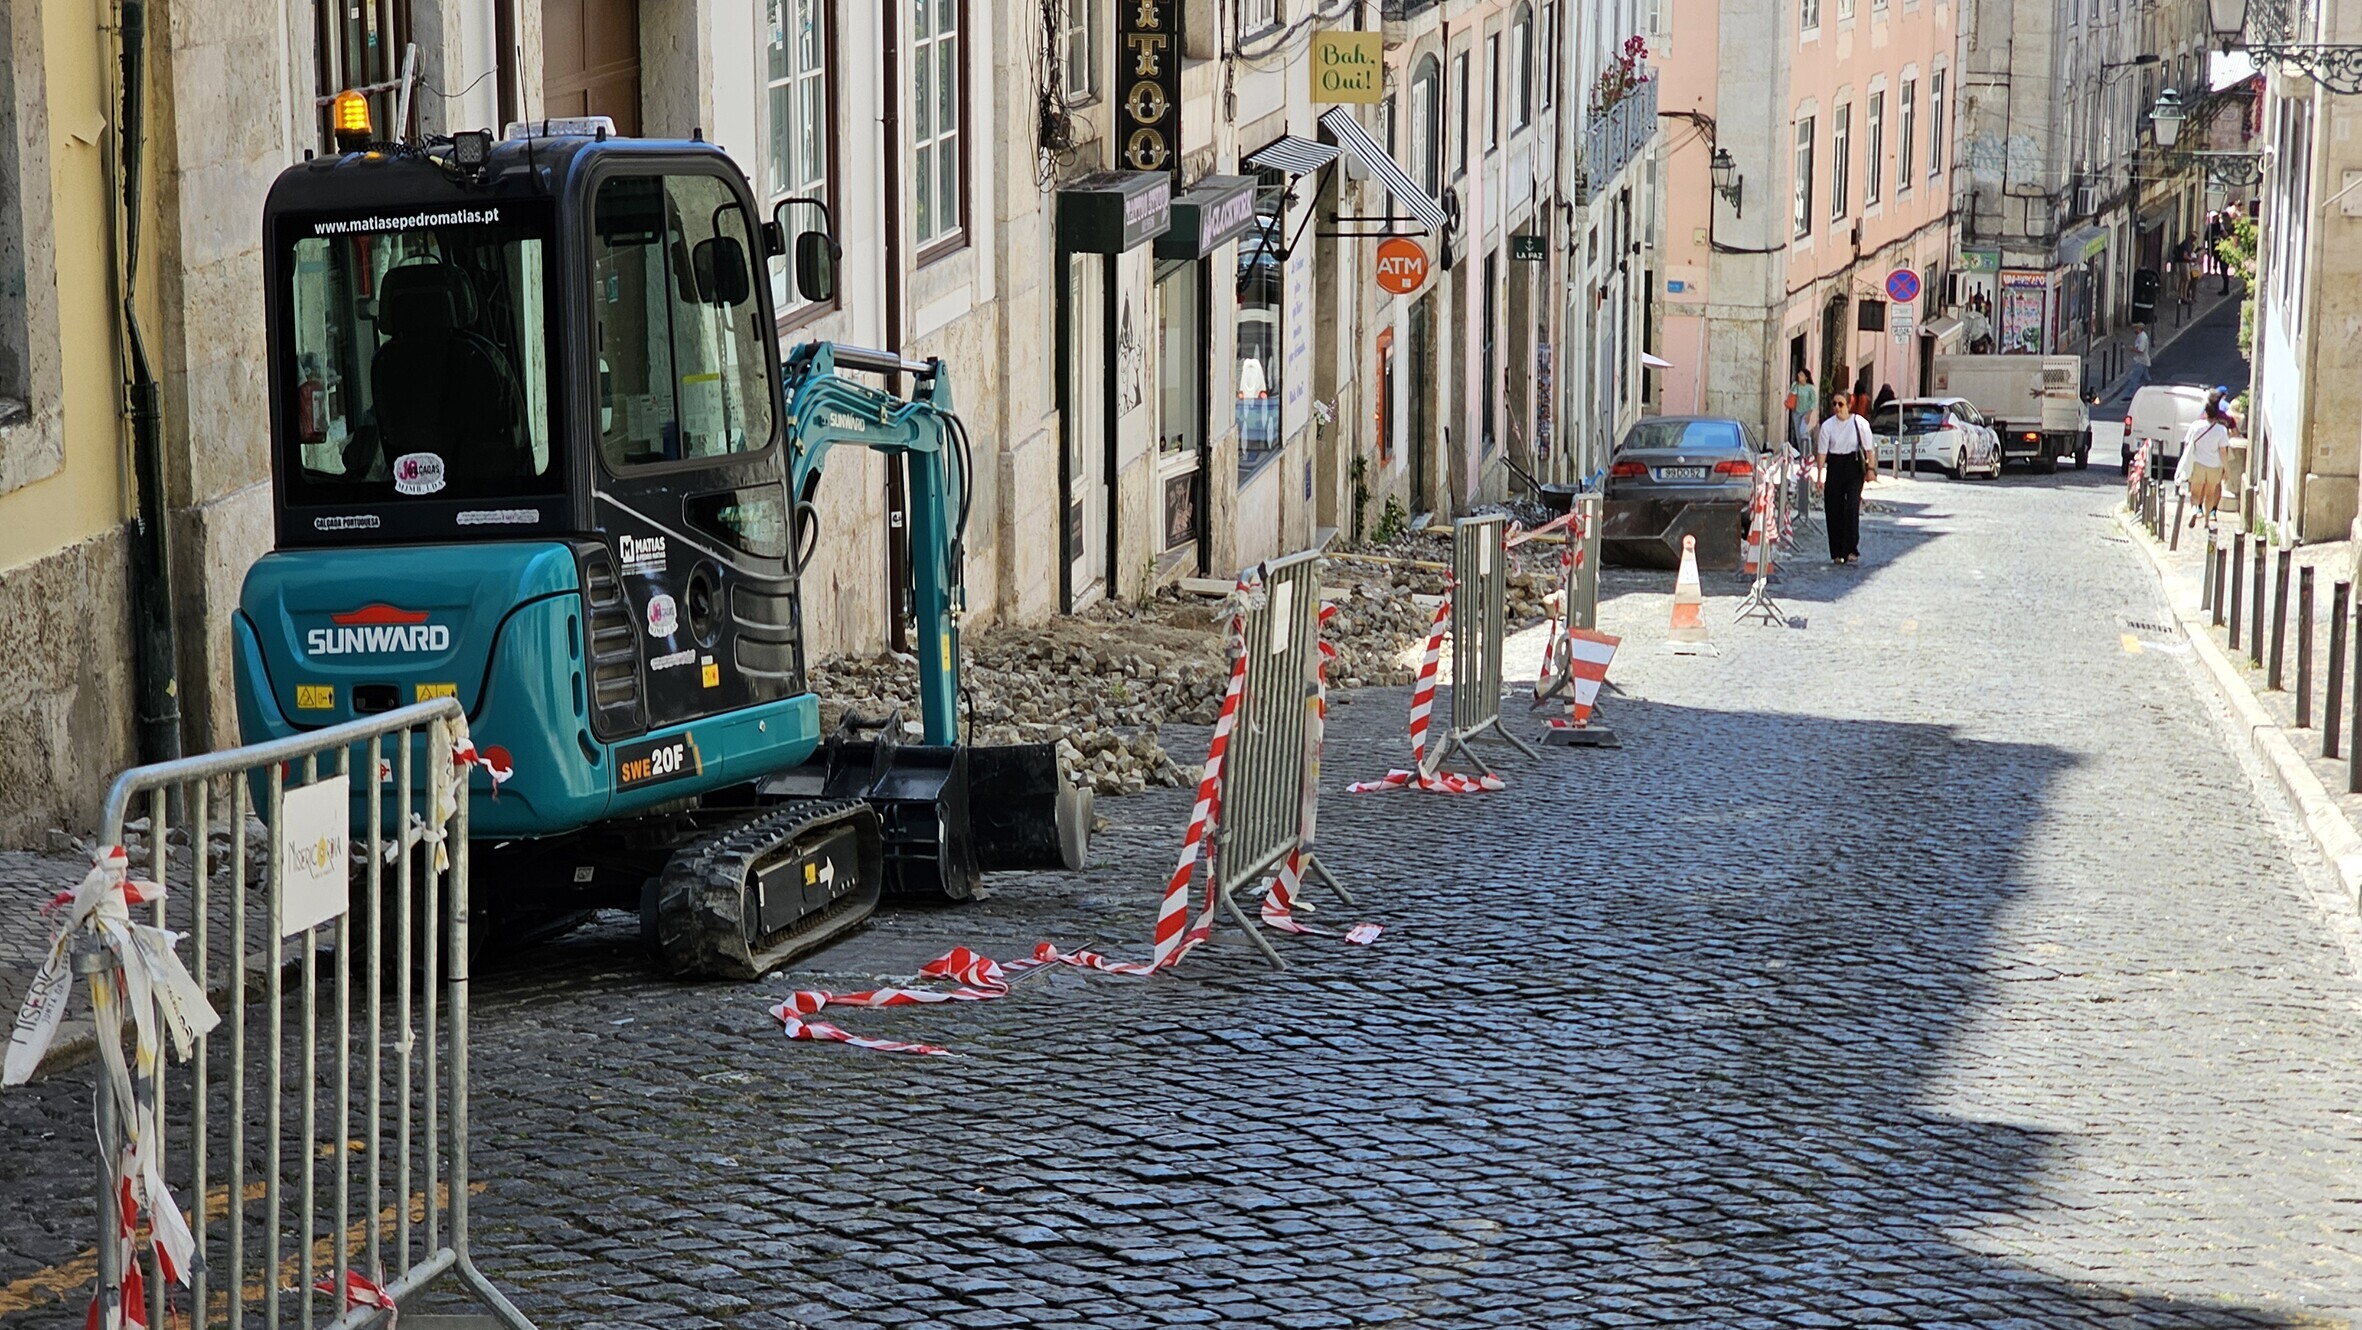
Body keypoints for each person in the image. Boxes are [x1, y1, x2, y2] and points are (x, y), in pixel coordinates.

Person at [1816, 393, 1878, 565]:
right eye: (1834, 404)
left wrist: (1870, 469)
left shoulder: (1860, 423)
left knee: (1851, 506)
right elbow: (1822, 452)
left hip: (1853, 465)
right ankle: (1836, 551)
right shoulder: (1827, 426)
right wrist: (1820, 475)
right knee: (1833, 507)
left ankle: (1851, 549)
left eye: (1840, 404)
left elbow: (1868, 449)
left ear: (1849, 405)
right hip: (1835, 465)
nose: (1837, 407)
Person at [2182, 391, 2233, 527]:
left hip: (2198, 464)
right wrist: (2226, 470)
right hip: (2214, 467)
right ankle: (2206, 521)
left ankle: (2194, 510)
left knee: (2195, 493)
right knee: (2210, 494)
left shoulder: (2195, 426)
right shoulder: (2221, 430)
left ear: (2206, 412)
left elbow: (2187, 444)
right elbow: (2223, 451)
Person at [1785, 368, 1817, 455]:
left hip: (1805, 413)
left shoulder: (1810, 388)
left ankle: (1808, 452)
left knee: (1802, 431)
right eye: (1799, 374)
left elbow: (1814, 401)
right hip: (1796, 412)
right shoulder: (1795, 385)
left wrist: (1809, 413)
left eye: (1802, 375)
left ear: (1806, 377)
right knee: (1798, 434)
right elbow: (1791, 395)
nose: (1799, 376)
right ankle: (1802, 453)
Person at [2129, 323, 2152, 391]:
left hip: (2141, 361)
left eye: (2135, 328)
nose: (2134, 330)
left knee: (2134, 378)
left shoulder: (2142, 338)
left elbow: (2141, 350)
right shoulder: (2140, 336)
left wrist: (2132, 349)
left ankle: (2130, 395)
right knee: (2146, 379)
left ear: (2139, 329)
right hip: (2142, 361)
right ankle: (2151, 388)